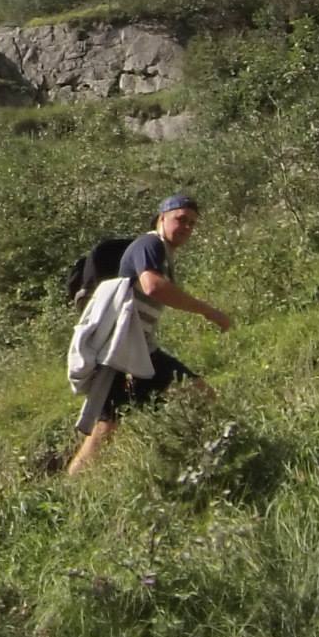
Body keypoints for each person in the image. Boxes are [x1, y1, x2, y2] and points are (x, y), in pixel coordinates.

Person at [67, 194, 230, 476]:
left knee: (108, 427)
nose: (186, 228)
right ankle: (216, 452)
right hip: (123, 354)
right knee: (105, 430)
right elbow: (153, 287)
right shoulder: (150, 244)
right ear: (161, 217)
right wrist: (208, 311)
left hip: (135, 352)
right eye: (181, 219)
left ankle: (203, 455)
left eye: (192, 224)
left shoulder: (162, 254)